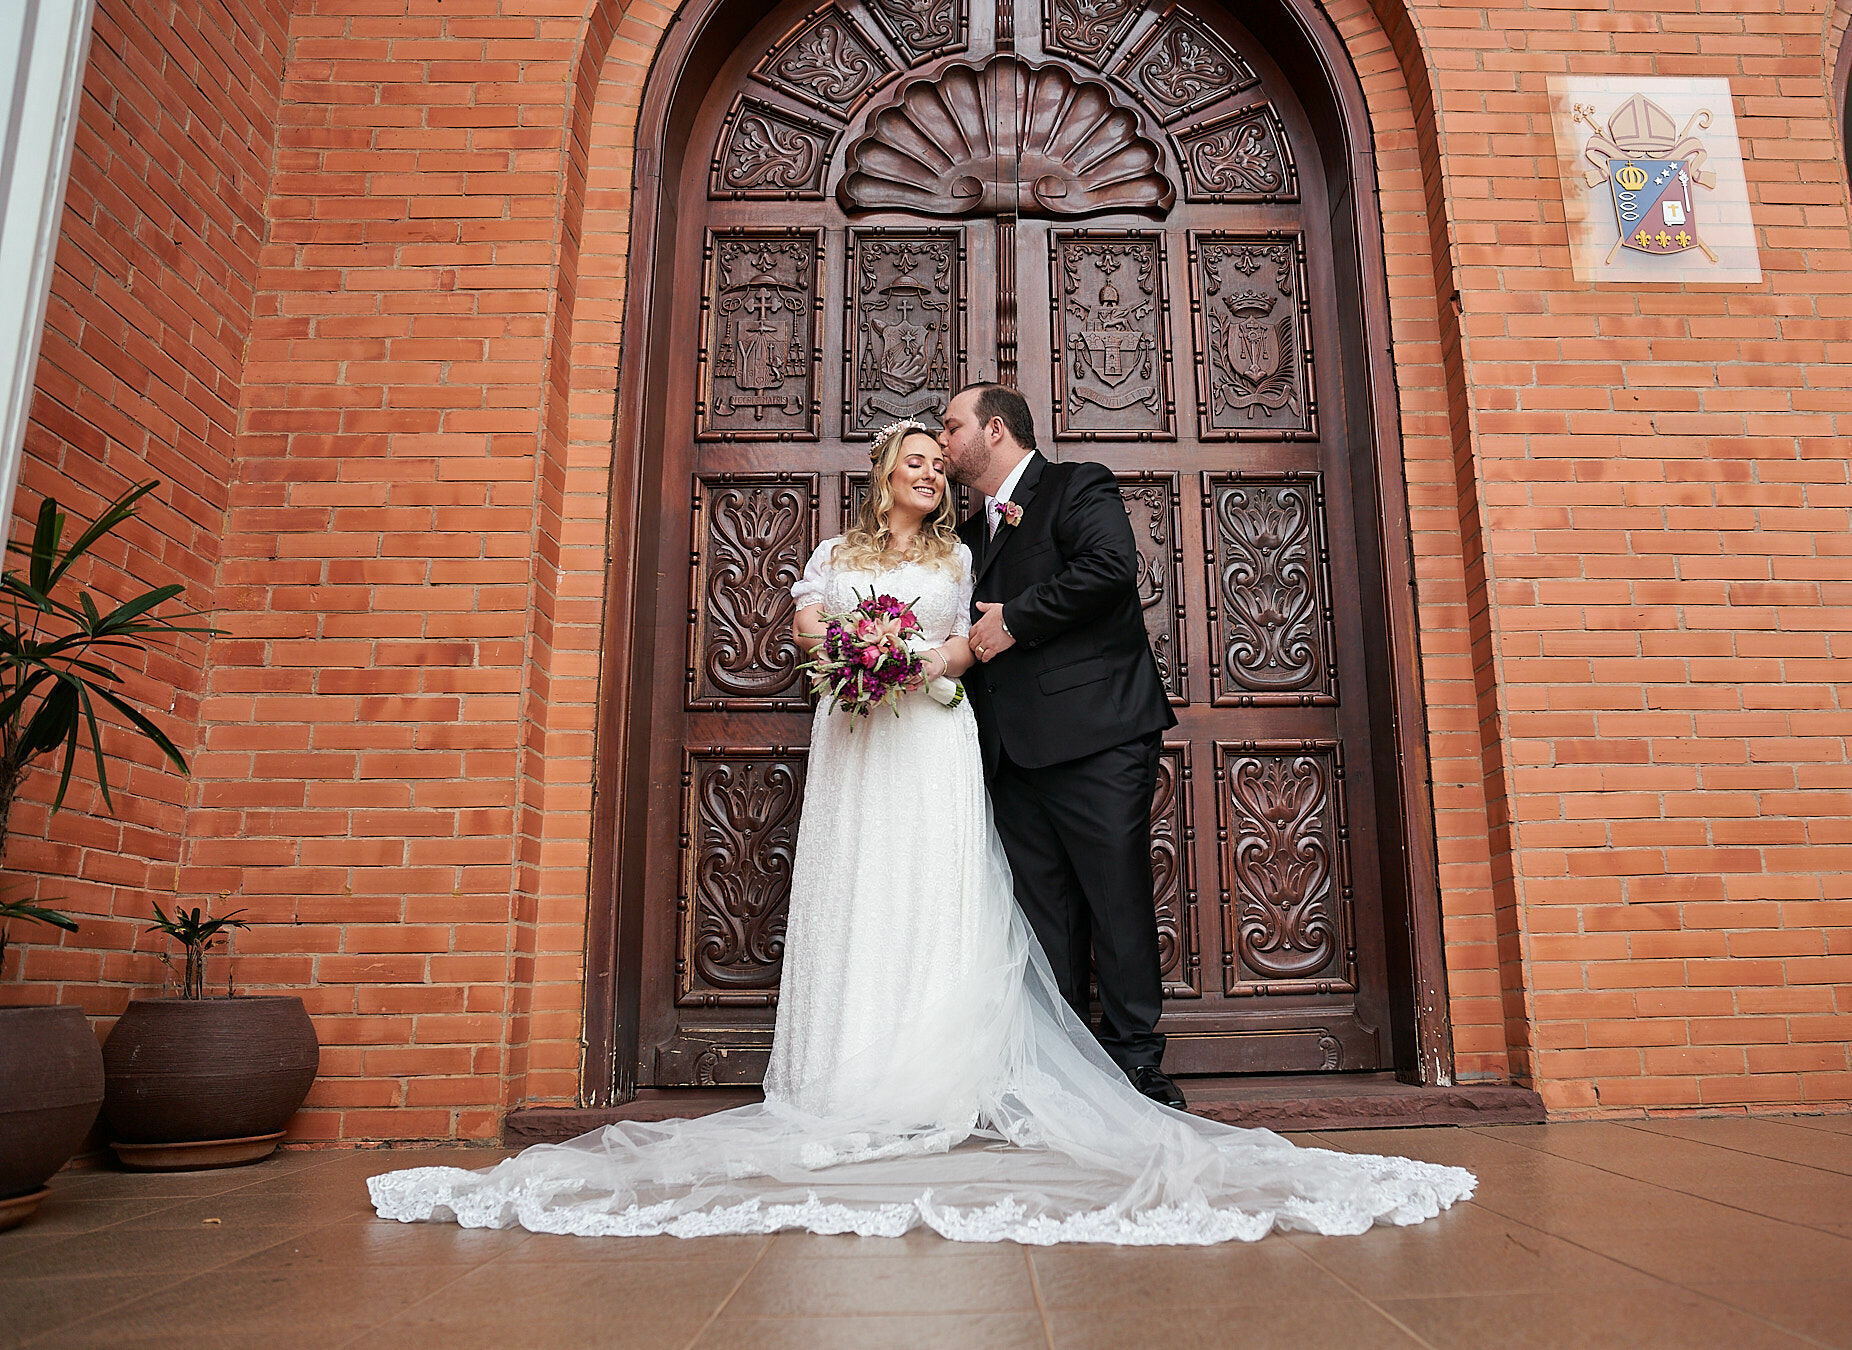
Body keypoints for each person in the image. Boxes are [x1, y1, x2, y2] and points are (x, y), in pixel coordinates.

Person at [367, 418, 1474, 1244]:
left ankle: (1105, 1071)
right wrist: (840, 656)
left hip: (954, 739)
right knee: (872, 896)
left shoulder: (977, 551)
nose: (929, 463)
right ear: (882, 469)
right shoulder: (851, 554)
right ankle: (855, 1073)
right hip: (864, 743)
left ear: (975, 450)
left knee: (973, 897)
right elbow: (808, 622)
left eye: (940, 452)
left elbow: (1005, 624)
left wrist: (920, 657)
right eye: (914, 453)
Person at [941, 381, 1183, 1110]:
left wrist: (1015, 619)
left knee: (1117, 904)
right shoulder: (965, 533)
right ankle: (1066, 1066)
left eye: (951, 427)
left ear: (994, 432)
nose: (942, 440)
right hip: (1012, 756)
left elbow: (1110, 573)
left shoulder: (1077, 486)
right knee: (1045, 919)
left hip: (1098, 738)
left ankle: (1138, 1064)